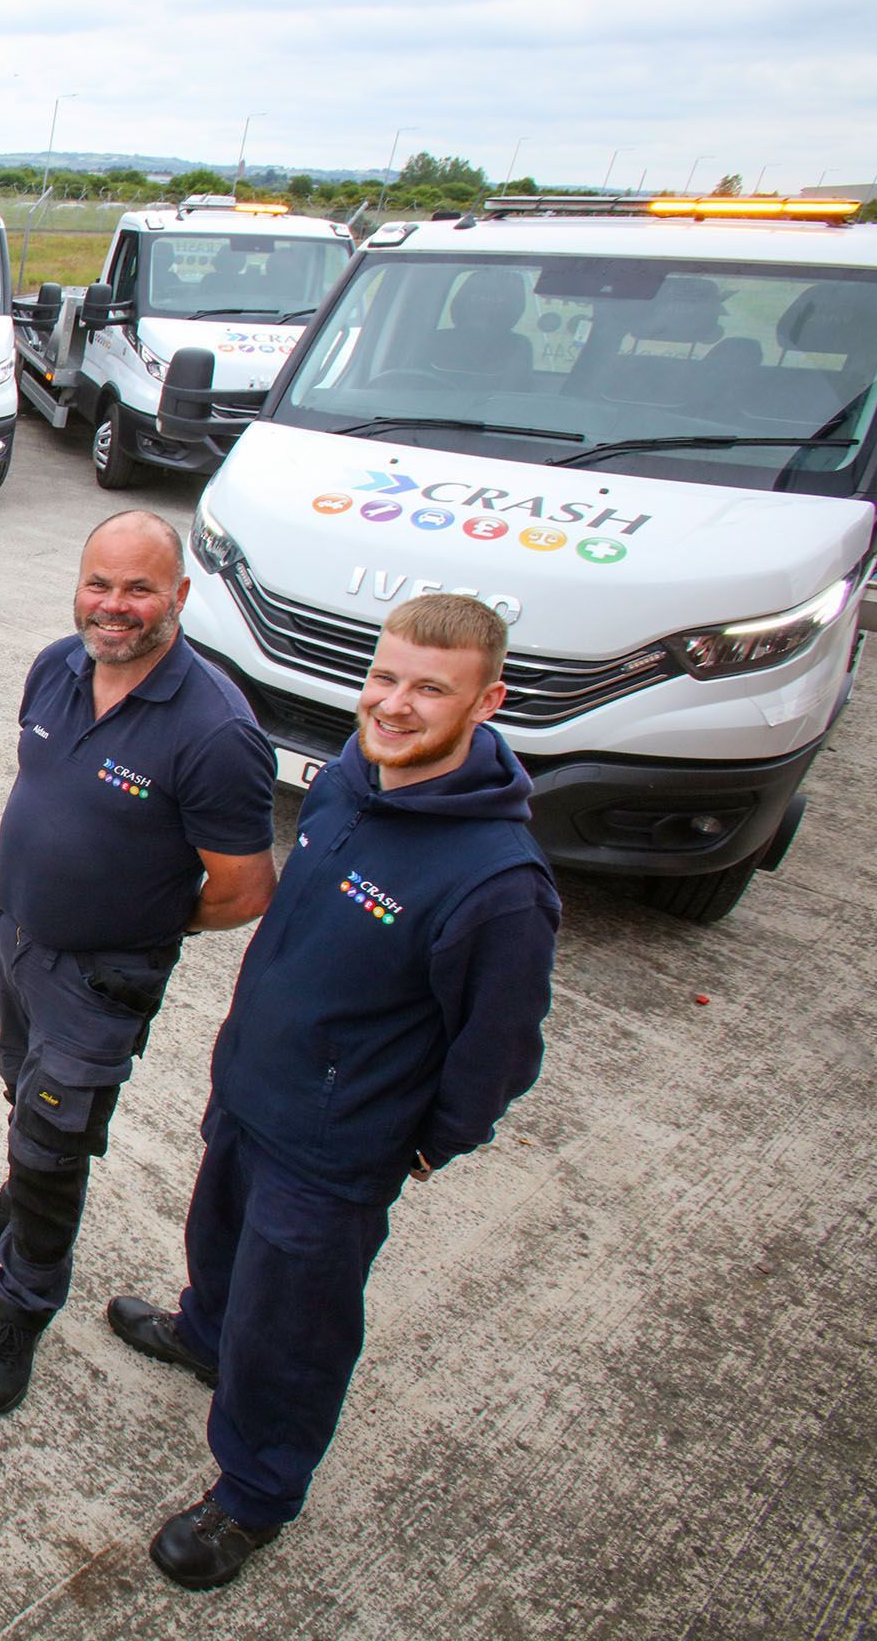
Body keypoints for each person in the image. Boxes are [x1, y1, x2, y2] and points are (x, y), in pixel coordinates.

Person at [109, 592, 559, 1590]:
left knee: (296, 1327)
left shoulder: (499, 883)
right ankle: (203, 1335)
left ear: (486, 700)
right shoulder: (353, 778)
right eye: (383, 676)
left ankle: (255, 1492)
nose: (392, 705)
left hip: (337, 1150)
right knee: (219, 1244)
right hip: (252, 1093)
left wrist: (420, 1144)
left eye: (427, 689)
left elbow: (498, 1054)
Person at [0, 509, 277, 1415]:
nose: (114, 606)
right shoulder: (57, 667)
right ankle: (13, 1196)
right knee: (22, 1086)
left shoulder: (217, 733)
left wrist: (138, 923)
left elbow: (245, 890)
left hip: (99, 983)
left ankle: (23, 1308)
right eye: (100, 583)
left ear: (179, 596)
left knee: (57, 1148)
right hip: (17, 944)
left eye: (139, 588)